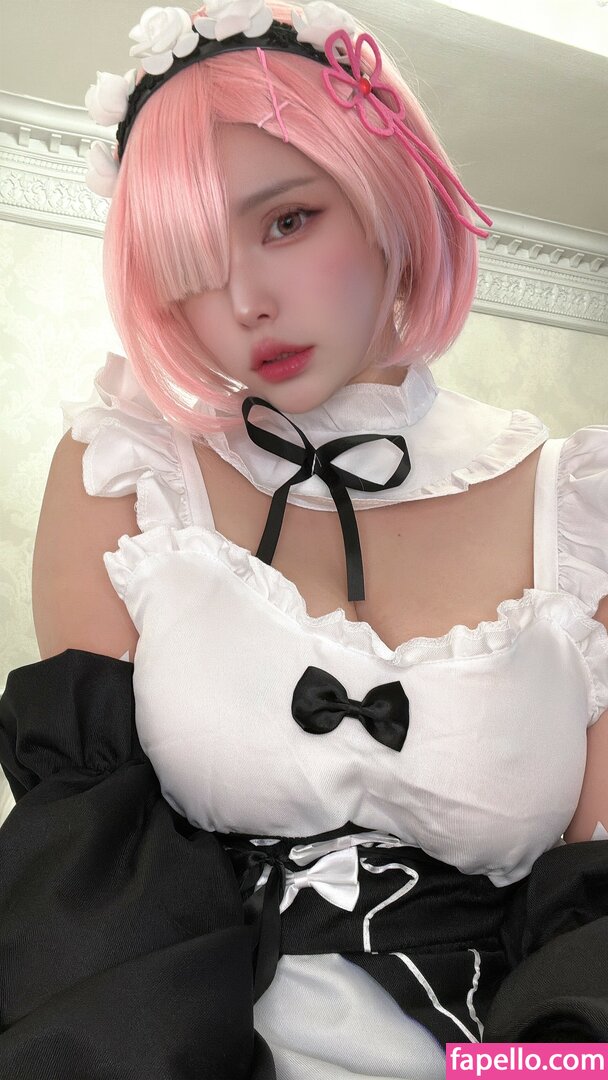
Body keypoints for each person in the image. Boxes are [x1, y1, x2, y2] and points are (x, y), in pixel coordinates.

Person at [1, 2, 608, 1077]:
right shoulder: (126, 474)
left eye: (286, 221)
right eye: (190, 265)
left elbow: (592, 928)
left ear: (386, 194)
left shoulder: (577, 509)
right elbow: (84, 884)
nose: (243, 302)